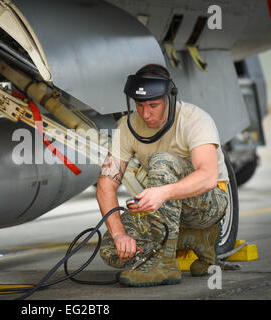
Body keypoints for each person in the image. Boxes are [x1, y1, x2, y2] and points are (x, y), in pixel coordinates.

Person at [96, 64, 229, 287]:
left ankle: (163, 264)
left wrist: (163, 193)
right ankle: (195, 240)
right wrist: (119, 234)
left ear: (169, 98)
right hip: (163, 209)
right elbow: (105, 185)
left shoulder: (194, 119)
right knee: (111, 250)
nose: (145, 113)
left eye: (153, 105)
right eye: (139, 105)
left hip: (208, 204)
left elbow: (208, 176)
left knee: (161, 161)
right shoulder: (127, 128)